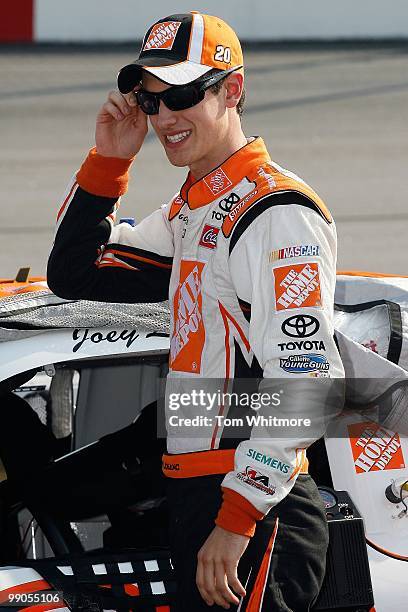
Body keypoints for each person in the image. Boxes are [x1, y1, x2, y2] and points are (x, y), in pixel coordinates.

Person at [47, 11, 344, 611]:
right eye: (152, 102)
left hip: (258, 512)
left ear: (232, 90)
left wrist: (236, 521)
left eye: (182, 94)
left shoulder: (277, 212)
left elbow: (308, 379)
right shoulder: (192, 212)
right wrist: (109, 160)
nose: (164, 118)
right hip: (198, 496)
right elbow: (75, 272)